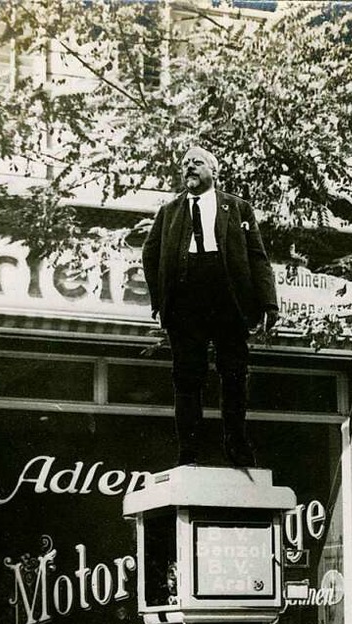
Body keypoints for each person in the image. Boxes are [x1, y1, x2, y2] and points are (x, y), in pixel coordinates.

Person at [142, 146, 278, 467]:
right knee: (187, 377)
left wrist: (268, 303)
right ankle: (188, 452)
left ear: (214, 170)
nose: (189, 167)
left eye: (197, 162)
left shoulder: (238, 208)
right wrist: (161, 299)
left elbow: (258, 258)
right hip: (185, 303)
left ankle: (237, 446)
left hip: (228, 300)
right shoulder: (169, 211)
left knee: (233, 374)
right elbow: (150, 254)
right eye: (185, 163)